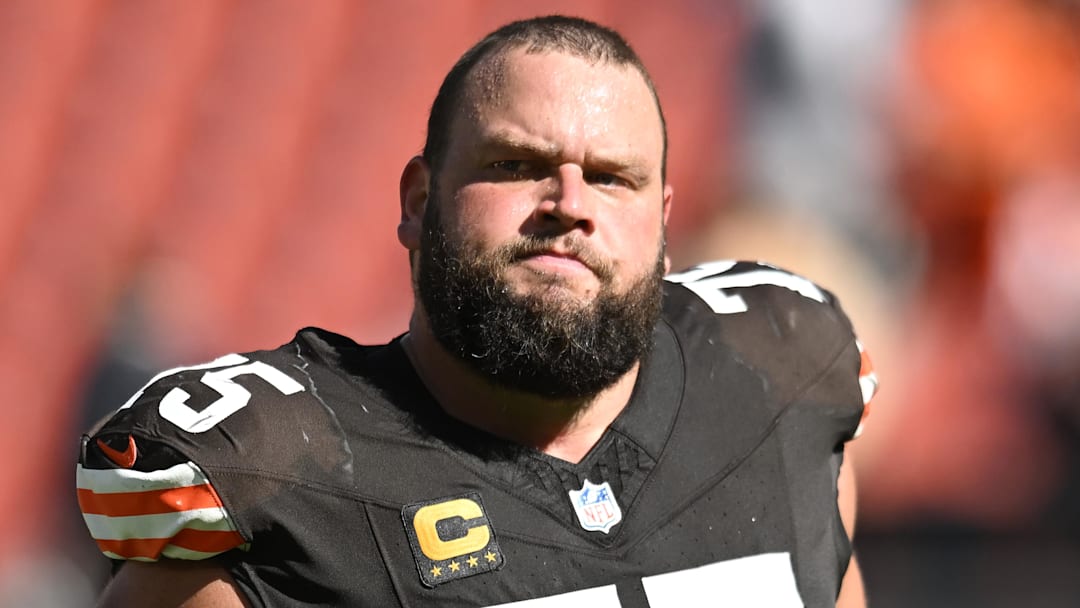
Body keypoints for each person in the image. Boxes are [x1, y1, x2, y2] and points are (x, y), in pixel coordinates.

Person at [76, 15, 877, 608]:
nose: (570, 205)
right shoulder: (285, 481)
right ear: (419, 202)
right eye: (517, 165)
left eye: (612, 177)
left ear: (665, 222)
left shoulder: (776, 386)